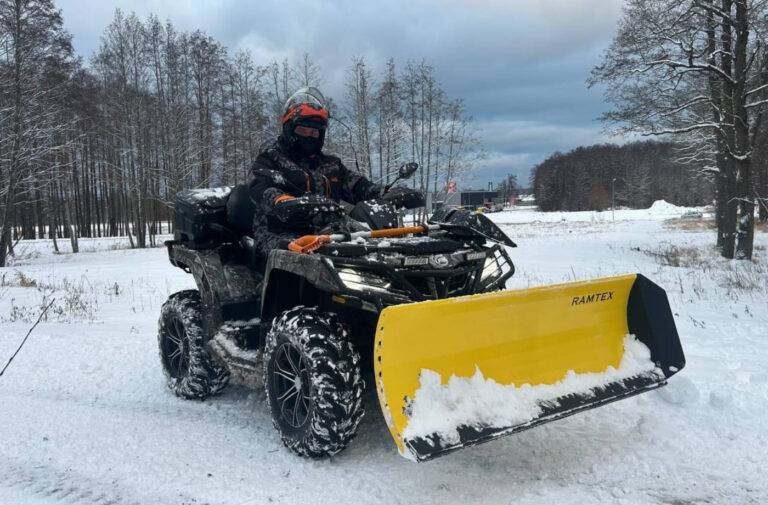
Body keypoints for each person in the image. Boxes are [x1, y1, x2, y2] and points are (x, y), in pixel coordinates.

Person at [247, 87, 381, 268]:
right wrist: (282, 200)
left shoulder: (331, 165)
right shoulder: (271, 159)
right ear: (289, 129)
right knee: (303, 260)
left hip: (330, 233)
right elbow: (260, 186)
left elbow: (358, 186)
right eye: (304, 130)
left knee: (376, 249)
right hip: (278, 233)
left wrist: (385, 192)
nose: (310, 136)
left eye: (315, 132)